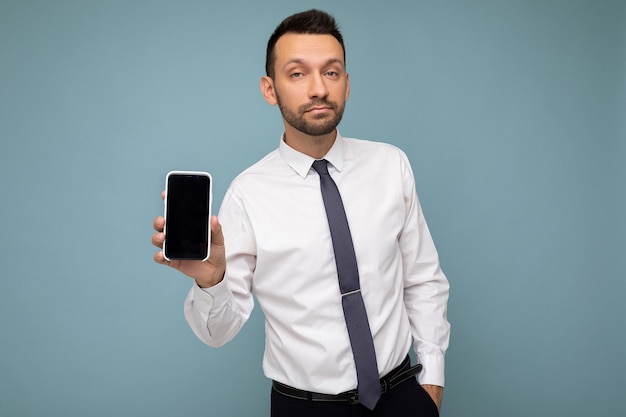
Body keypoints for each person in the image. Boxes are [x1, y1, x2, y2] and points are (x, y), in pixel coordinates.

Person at [152, 9, 450, 417]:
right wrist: (212, 281)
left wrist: (430, 381)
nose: (318, 89)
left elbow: (423, 278)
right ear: (269, 89)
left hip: (401, 398)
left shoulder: (391, 165)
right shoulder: (247, 194)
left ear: (347, 84)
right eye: (297, 74)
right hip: (305, 408)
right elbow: (218, 333)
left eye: (331, 73)